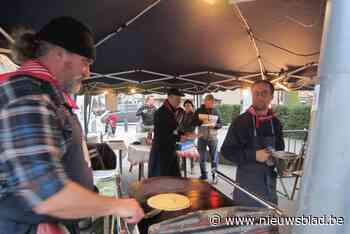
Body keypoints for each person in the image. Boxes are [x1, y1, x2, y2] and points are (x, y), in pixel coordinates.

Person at [0, 17, 144, 233]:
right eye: (85, 62)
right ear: (60, 53)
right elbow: (47, 195)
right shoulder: (30, 97)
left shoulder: (49, 95)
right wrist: (118, 205)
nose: (87, 72)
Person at [221, 80, 285, 207]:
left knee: (268, 224)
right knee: (247, 224)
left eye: (264, 93)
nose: (260, 97)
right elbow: (226, 151)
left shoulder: (275, 123)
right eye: (256, 93)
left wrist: (277, 161)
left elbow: (280, 149)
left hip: (269, 187)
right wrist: (253, 155)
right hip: (247, 188)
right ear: (252, 95)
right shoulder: (241, 122)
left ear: (271, 96)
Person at [148, 88, 185, 177]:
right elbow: (162, 135)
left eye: (180, 100)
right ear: (170, 98)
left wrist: (182, 134)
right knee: (161, 179)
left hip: (171, 149)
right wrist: (179, 138)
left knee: (174, 177)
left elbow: (174, 129)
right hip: (161, 152)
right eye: (177, 100)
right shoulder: (161, 113)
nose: (179, 102)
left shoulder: (173, 111)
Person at [194, 94, 223, 181]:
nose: (211, 104)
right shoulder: (199, 110)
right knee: (201, 158)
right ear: (205, 101)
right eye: (209, 102)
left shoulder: (216, 111)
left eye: (212, 103)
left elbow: (221, 124)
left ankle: (214, 176)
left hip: (213, 138)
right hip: (202, 137)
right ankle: (204, 175)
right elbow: (193, 122)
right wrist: (201, 121)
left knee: (214, 158)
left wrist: (214, 126)